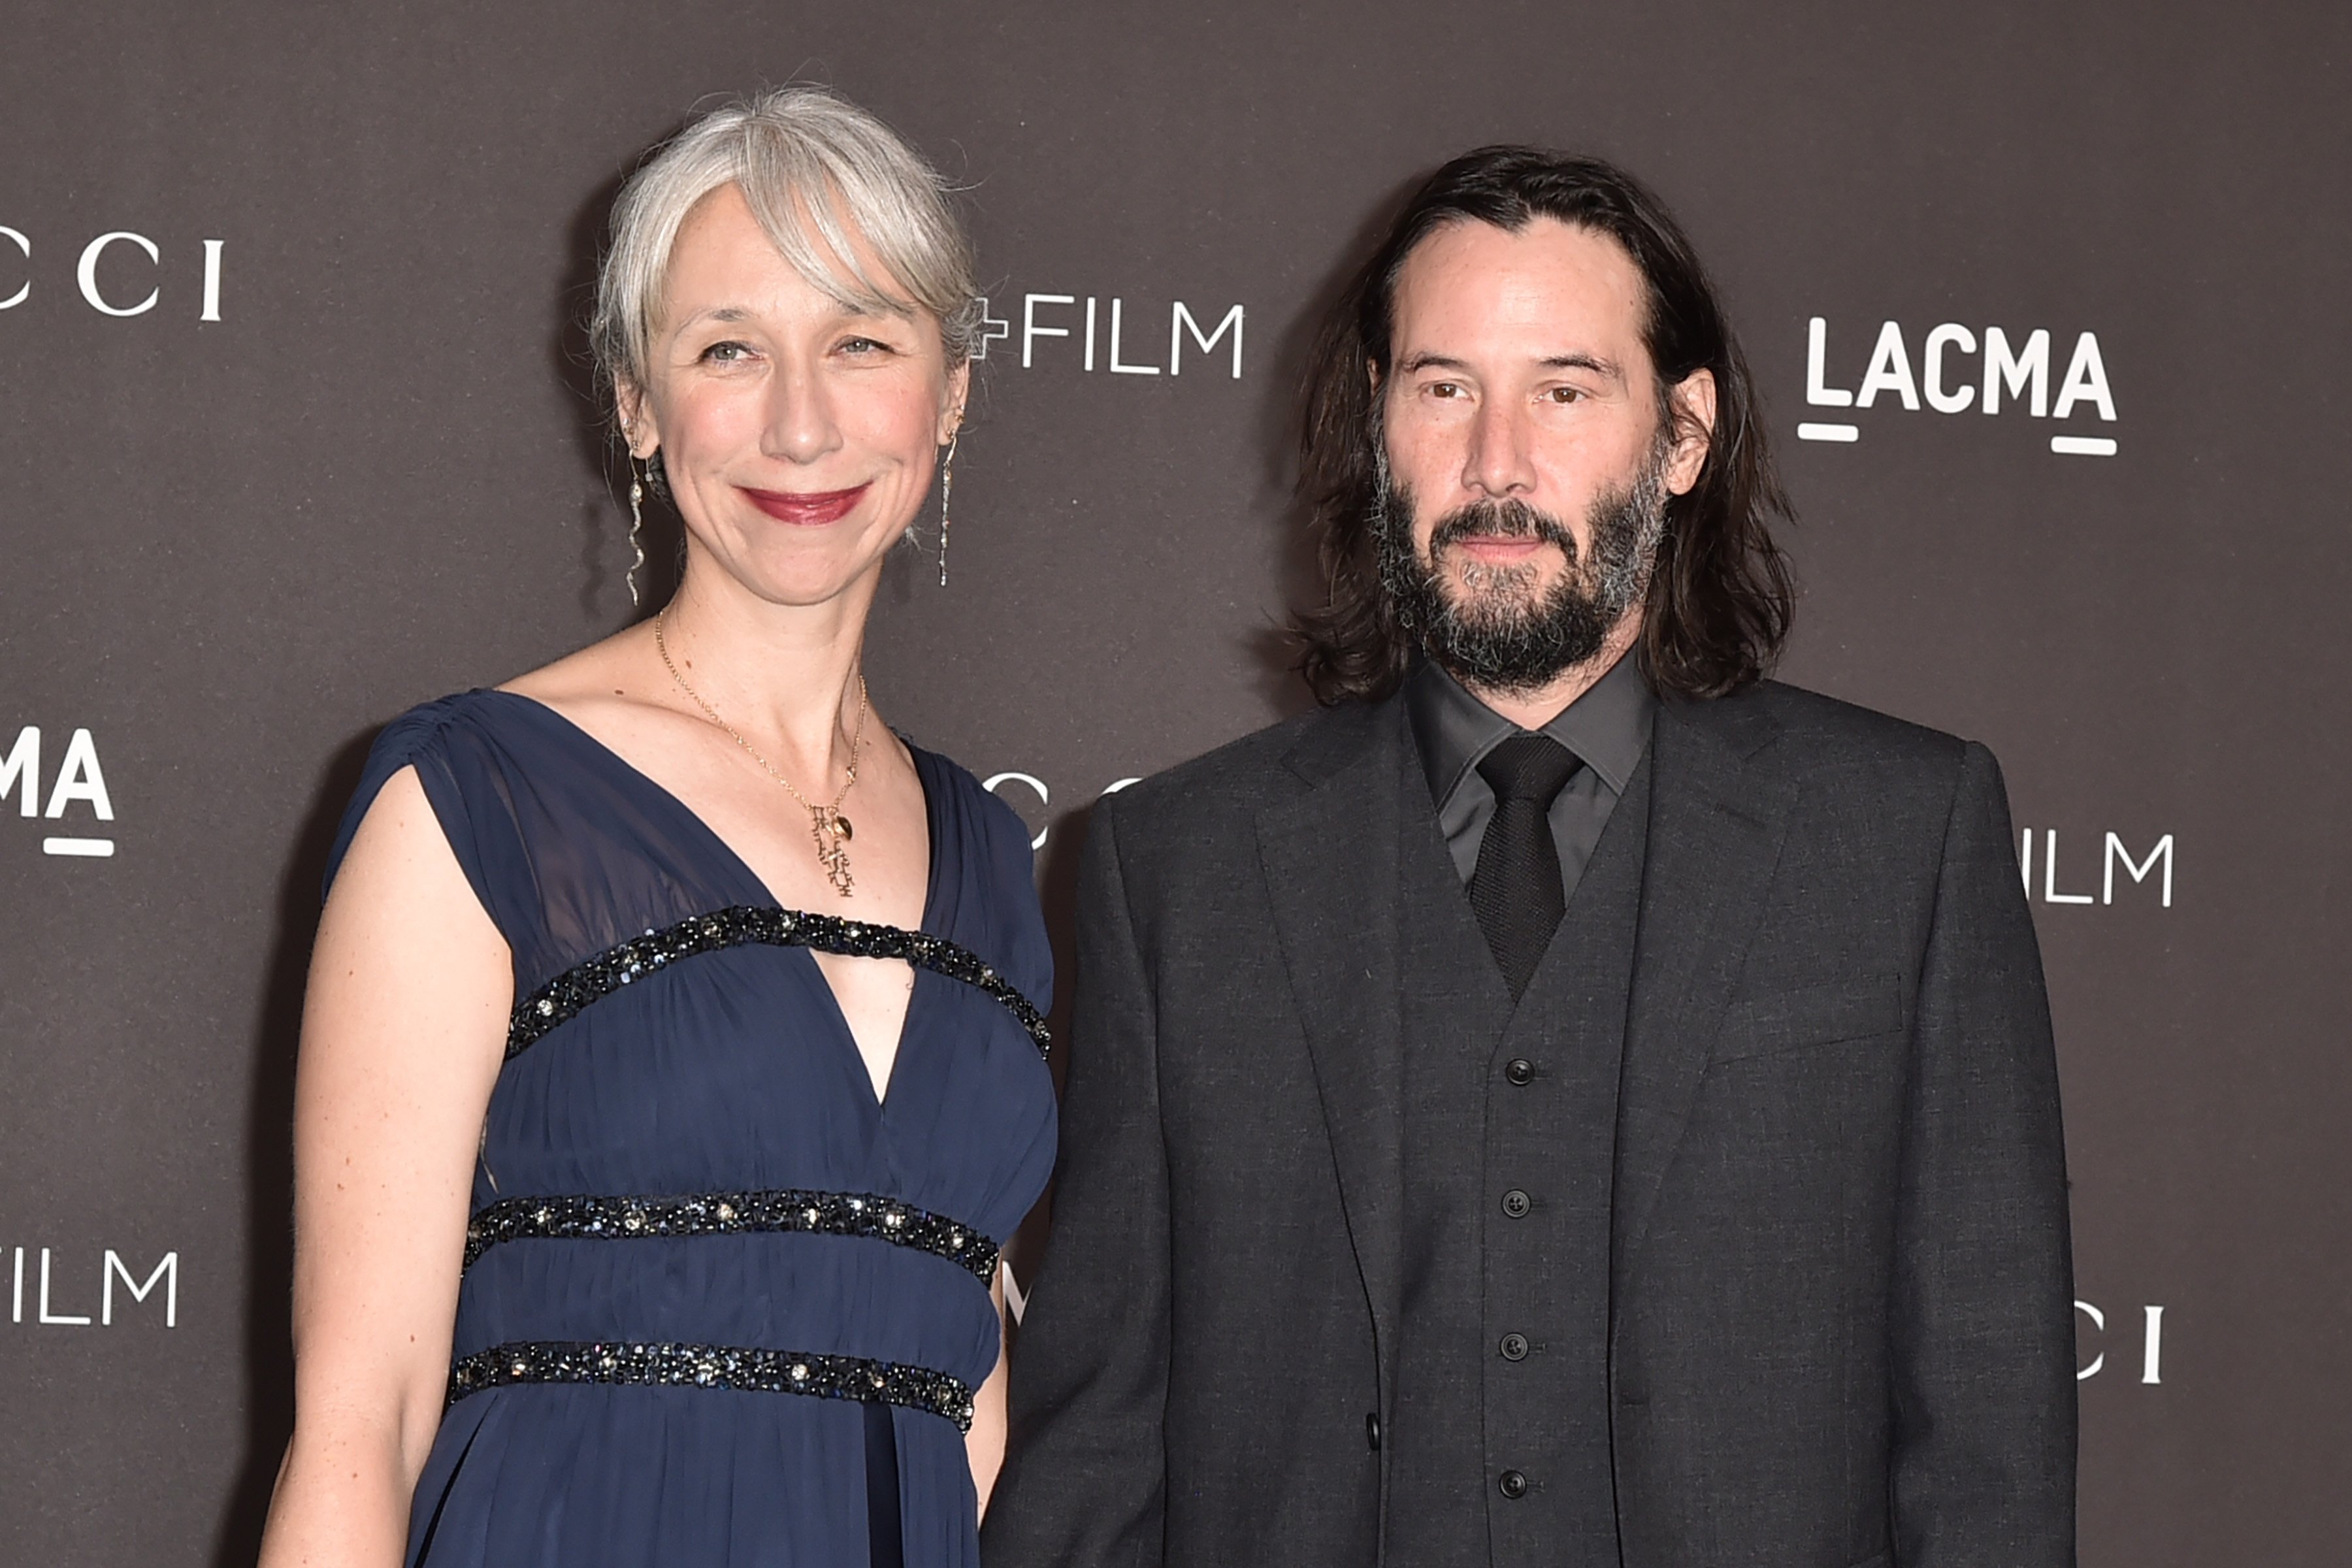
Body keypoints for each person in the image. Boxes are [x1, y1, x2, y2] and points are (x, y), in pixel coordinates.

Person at [985, 146, 2075, 1568]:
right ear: (1379, 424)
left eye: (1565, 390)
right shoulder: (1173, 871)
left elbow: (1988, 1443)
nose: (1498, 463)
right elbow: (1098, 1457)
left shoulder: (1904, 839)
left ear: (1682, 435)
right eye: (1443, 388)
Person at [255, 88, 1055, 1568]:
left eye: (863, 342)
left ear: (948, 394)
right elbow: (356, 1421)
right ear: (636, 399)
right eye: (728, 349)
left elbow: (971, 1387)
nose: (801, 421)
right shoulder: (483, 795)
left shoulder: (995, 866)